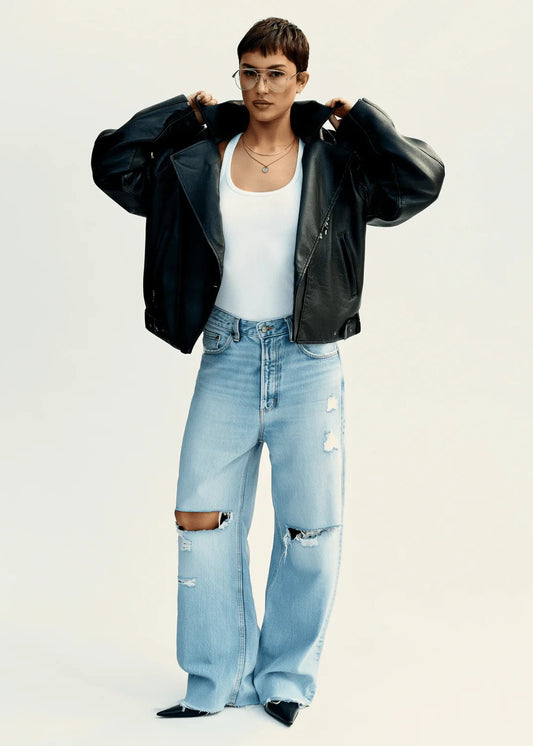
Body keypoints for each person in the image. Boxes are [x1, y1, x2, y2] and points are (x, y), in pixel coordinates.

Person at [91, 17, 444, 727]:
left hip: (307, 359)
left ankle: (284, 679)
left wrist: (364, 121)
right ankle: (215, 678)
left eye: (276, 73)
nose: (260, 86)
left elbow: (420, 181)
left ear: (301, 80)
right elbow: (113, 164)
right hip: (225, 355)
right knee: (200, 518)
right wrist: (179, 114)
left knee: (309, 530)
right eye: (248, 71)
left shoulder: (337, 163)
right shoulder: (199, 157)